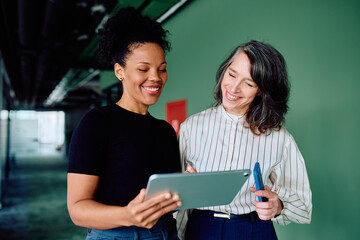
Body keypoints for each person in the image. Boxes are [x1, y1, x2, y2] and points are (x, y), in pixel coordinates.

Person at [176, 40, 312, 239]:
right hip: (202, 228)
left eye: (248, 83)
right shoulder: (191, 127)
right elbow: (177, 201)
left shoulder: (279, 138)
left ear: (262, 91)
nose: (233, 88)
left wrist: (278, 206)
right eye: (231, 74)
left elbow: (303, 206)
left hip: (253, 230)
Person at [67, 7, 182, 240]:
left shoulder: (165, 130)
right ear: (120, 71)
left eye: (162, 69)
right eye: (143, 69)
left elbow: (163, 200)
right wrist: (127, 215)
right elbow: (77, 209)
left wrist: (185, 190)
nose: (155, 78)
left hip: (165, 234)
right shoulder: (97, 123)